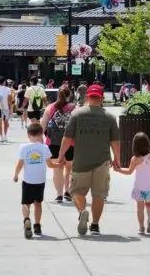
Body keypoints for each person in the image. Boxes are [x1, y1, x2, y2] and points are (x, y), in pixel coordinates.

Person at [58, 83, 121, 236]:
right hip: (103, 161)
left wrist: (61, 155)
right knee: (99, 195)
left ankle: (82, 211)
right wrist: (117, 159)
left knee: (76, 191)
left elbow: (67, 138)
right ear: (101, 98)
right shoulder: (110, 117)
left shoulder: (76, 115)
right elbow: (115, 142)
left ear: (87, 97)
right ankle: (95, 225)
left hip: (81, 160)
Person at [13, 122, 59, 239]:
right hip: (40, 181)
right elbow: (50, 165)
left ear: (28, 135)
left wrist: (16, 175)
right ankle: (37, 225)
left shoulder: (23, 148)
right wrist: (59, 165)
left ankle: (26, 219)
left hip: (28, 181)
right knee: (38, 203)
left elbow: (20, 164)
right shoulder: (44, 148)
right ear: (41, 135)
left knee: (26, 203)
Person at [117, 132, 150, 234]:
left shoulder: (135, 159)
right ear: (148, 144)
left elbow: (129, 172)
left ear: (135, 146)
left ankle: (141, 227)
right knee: (149, 205)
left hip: (139, 187)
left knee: (140, 208)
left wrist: (118, 170)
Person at [41, 87, 75, 203]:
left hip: (53, 142)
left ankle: (59, 194)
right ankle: (68, 191)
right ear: (69, 95)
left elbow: (43, 126)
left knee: (57, 169)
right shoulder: (74, 108)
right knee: (69, 168)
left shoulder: (50, 108)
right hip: (71, 142)